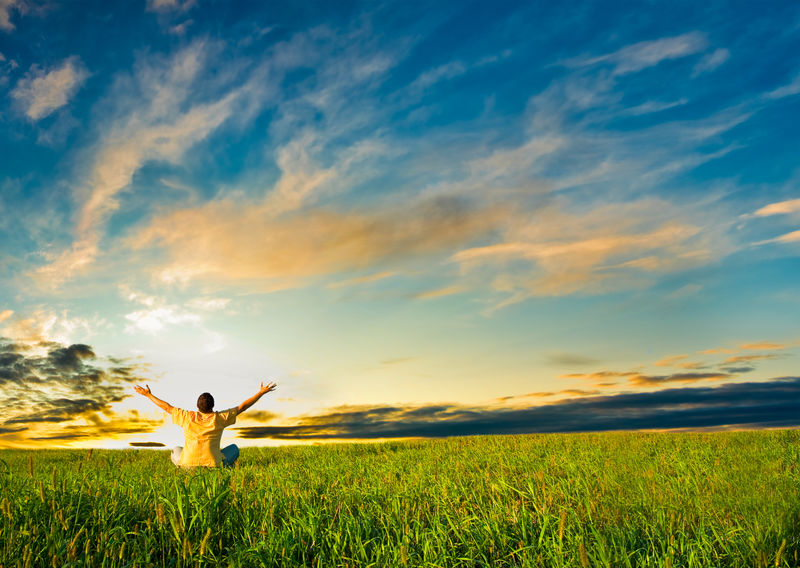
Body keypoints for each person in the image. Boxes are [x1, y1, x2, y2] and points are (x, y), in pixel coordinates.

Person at [134, 381, 277, 468]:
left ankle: (183, 467)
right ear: (213, 406)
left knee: (176, 449)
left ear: (197, 406)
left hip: (187, 467)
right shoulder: (220, 418)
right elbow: (242, 407)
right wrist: (260, 393)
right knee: (234, 449)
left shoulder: (186, 416)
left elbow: (167, 407)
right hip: (214, 467)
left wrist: (148, 395)